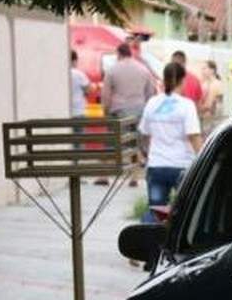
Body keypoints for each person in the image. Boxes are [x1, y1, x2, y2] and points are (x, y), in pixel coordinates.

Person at [138, 61, 202, 224]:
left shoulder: (152, 103)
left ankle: (150, 247)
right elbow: (193, 136)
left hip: (157, 164)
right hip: (182, 166)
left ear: (164, 80)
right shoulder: (186, 106)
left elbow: (143, 134)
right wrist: (202, 159)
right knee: (186, 212)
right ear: (183, 80)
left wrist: (143, 154)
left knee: (156, 212)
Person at [101, 41, 155, 186]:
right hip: (139, 111)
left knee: (111, 143)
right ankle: (134, 177)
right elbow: (150, 93)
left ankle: (104, 175)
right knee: (135, 144)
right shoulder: (143, 70)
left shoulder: (112, 70)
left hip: (118, 112)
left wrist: (105, 110)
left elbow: (106, 94)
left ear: (118, 54)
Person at [199, 59, 225, 135]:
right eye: (202, 69)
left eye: (204, 68)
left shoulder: (215, 84)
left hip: (212, 120)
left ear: (212, 70)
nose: (202, 71)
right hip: (206, 119)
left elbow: (208, 105)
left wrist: (196, 110)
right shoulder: (205, 83)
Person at [69, 49, 91, 118]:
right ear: (74, 60)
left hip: (65, 111)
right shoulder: (79, 74)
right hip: (78, 111)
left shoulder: (61, 74)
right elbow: (88, 90)